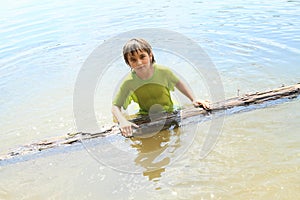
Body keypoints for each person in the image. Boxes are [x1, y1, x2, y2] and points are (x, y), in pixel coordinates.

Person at [112, 38, 210, 137]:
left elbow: (179, 83)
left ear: (150, 56)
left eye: (142, 57)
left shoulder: (163, 71)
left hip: (170, 110)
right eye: (133, 60)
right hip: (146, 115)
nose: (139, 63)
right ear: (128, 63)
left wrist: (194, 99)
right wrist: (122, 121)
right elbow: (115, 107)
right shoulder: (129, 82)